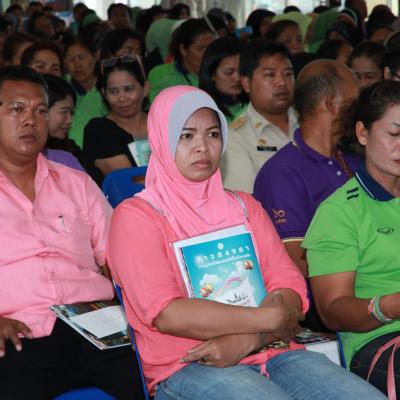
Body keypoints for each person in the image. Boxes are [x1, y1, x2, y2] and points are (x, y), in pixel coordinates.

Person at [106, 85, 386, 400]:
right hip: (189, 363)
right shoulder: (136, 217)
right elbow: (168, 314)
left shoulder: (244, 207)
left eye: (213, 134)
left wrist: (252, 339)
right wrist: (267, 319)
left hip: (273, 348)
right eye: (186, 136)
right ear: (161, 139)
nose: (202, 147)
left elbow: (289, 287)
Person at [0, 65, 144, 399]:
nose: (30, 120)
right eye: (17, 109)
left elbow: (119, 258)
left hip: (95, 325)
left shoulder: (76, 184)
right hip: (20, 331)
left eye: (40, 110)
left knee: (153, 377)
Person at [302, 79, 400, 397]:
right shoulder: (339, 212)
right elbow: (332, 310)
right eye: (394, 134)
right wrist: (390, 306)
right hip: (380, 340)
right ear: (362, 133)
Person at [253, 60, 360, 331]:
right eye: (355, 100)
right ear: (332, 104)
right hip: (328, 304)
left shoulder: (354, 159)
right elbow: (299, 262)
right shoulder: (281, 173)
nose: (362, 111)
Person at [221, 40, 298, 193]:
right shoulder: (235, 138)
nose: (282, 82)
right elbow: (247, 201)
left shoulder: (309, 121)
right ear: (246, 83)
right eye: (270, 75)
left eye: (288, 74)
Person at [83, 55, 148, 185]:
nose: (122, 98)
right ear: (104, 94)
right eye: (113, 91)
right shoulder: (99, 130)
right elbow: (131, 182)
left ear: (145, 89)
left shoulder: (160, 120)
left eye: (129, 89)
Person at [148, 18, 215, 102]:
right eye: (200, 49)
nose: (208, 53)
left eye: (211, 47)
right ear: (183, 49)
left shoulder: (220, 74)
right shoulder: (161, 75)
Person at [64, 36, 108, 148]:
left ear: (95, 57)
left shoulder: (108, 87)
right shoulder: (62, 89)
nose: (77, 64)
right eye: (71, 59)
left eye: (81, 57)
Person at [41, 74, 86, 171]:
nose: (69, 120)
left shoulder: (72, 150)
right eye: (64, 112)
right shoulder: (25, 153)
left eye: (71, 112)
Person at [199, 37, 247, 122]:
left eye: (241, 71)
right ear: (212, 74)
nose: (237, 78)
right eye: (229, 72)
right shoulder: (204, 111)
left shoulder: (252, 101)